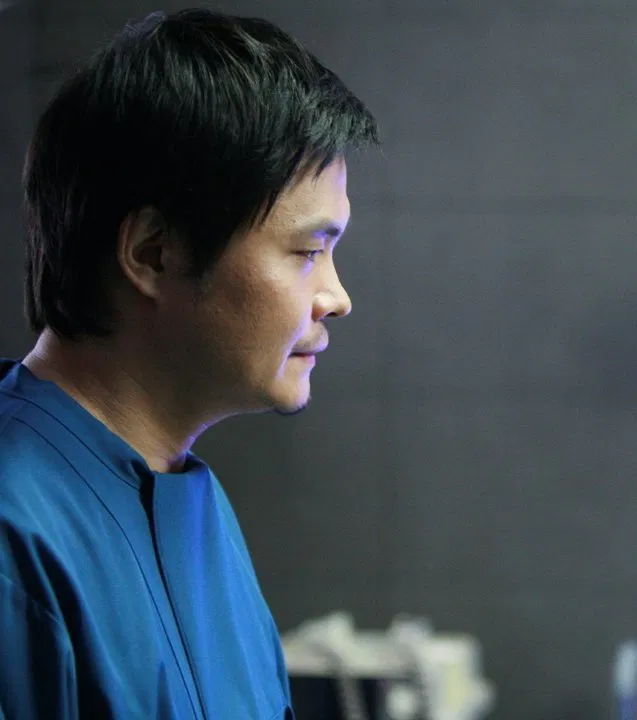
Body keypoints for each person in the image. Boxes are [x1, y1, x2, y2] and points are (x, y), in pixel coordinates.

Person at [0, 8, 378, 718]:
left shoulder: (192, 506)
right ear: (152, 253)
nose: (336, 298)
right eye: (307, 251)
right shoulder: (15, 526)